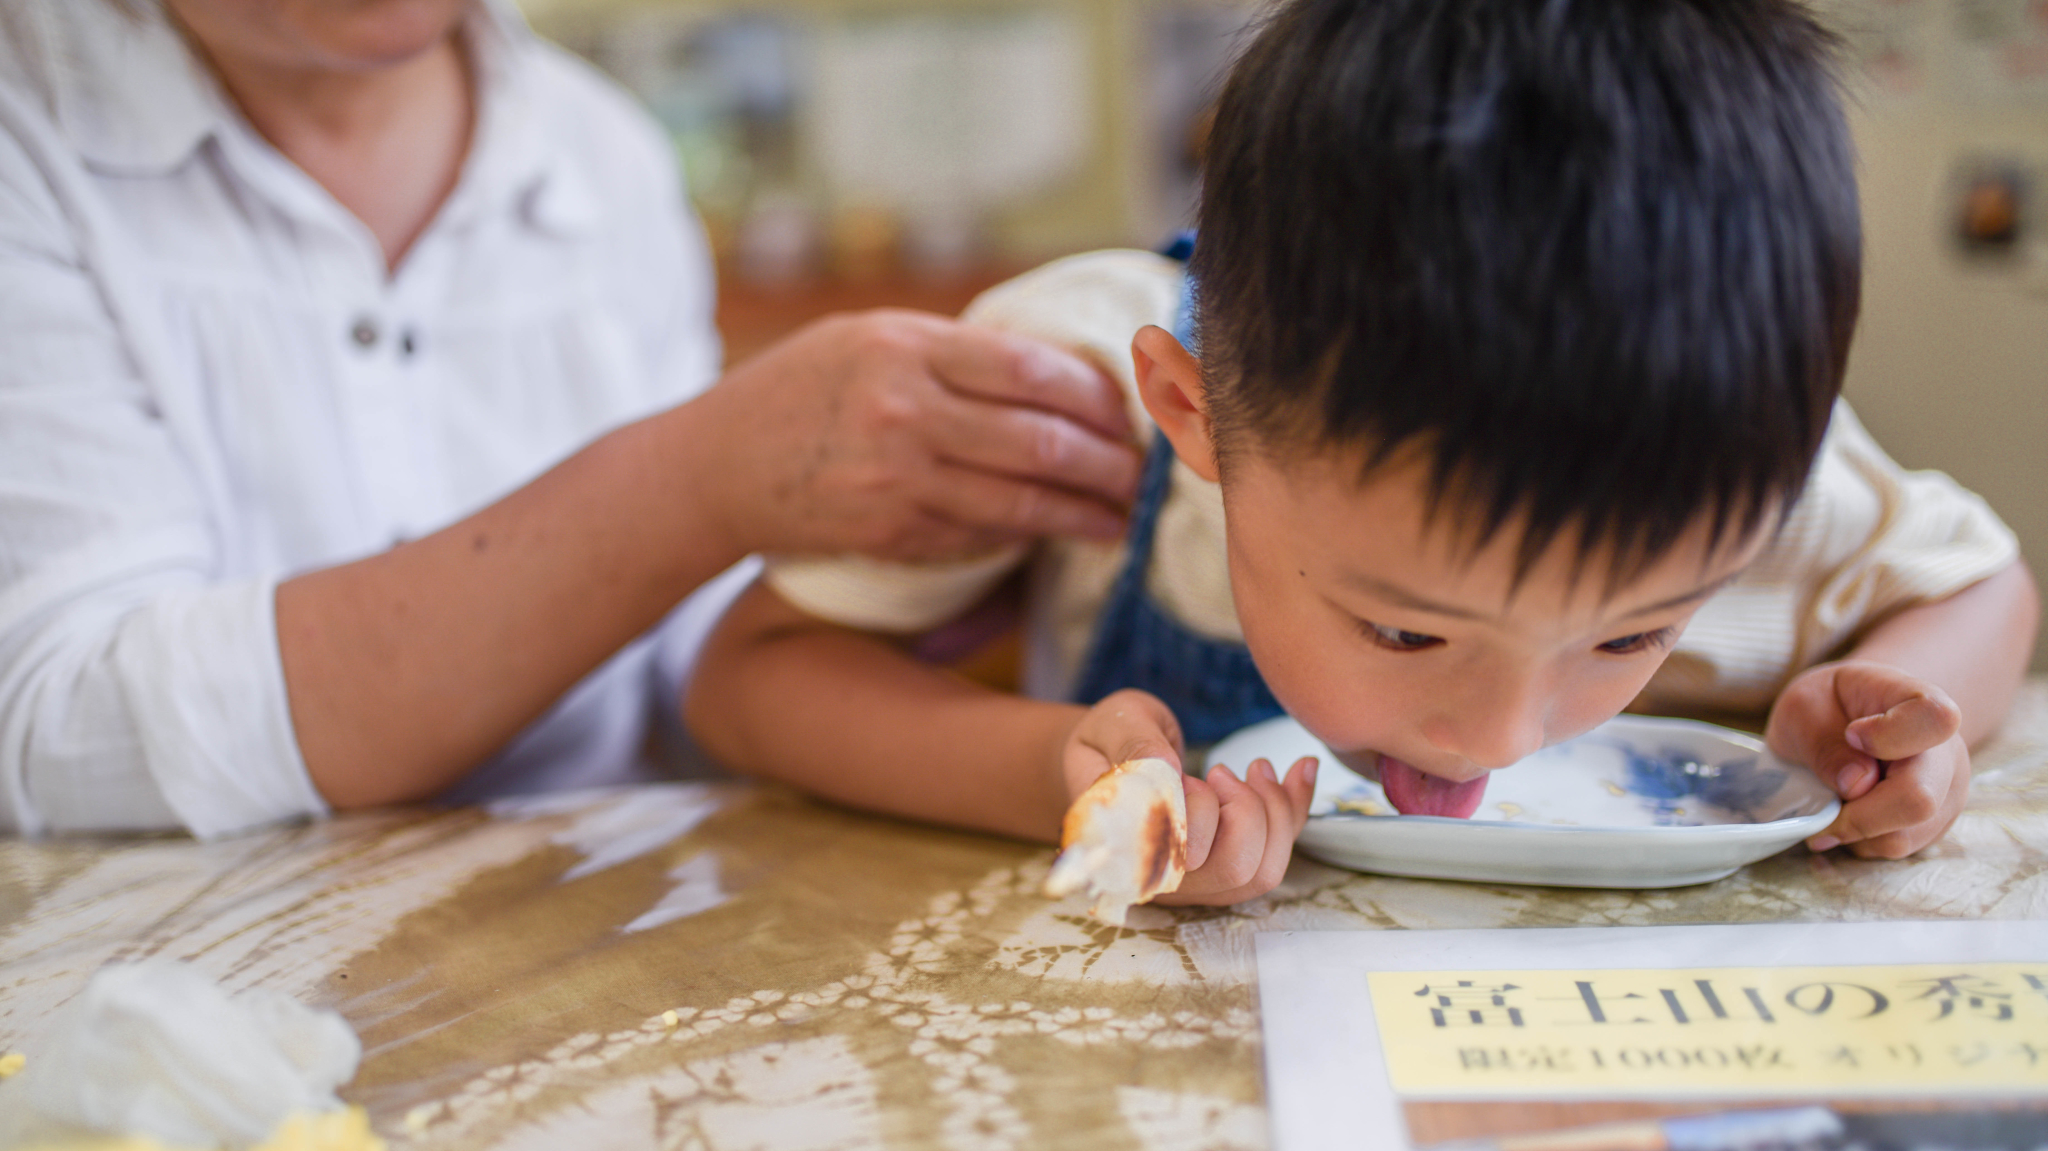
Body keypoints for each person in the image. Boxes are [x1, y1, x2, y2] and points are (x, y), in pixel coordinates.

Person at [685, 0, 2041, 904]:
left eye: (1629, 638)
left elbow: (1984, 585)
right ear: (1192, 411)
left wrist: (1890, 711)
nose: (1501, 735)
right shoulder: (1066, 390)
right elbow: (750, 684)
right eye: (1404, 632)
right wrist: (1066, 776)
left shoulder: (1720, 455)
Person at [0, 0, 1141, 838]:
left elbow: (700, 674)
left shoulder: (604, 156)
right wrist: (698, 478)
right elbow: (62, 732)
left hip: (588, 946)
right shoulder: (32, 137)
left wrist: (1059, 763)